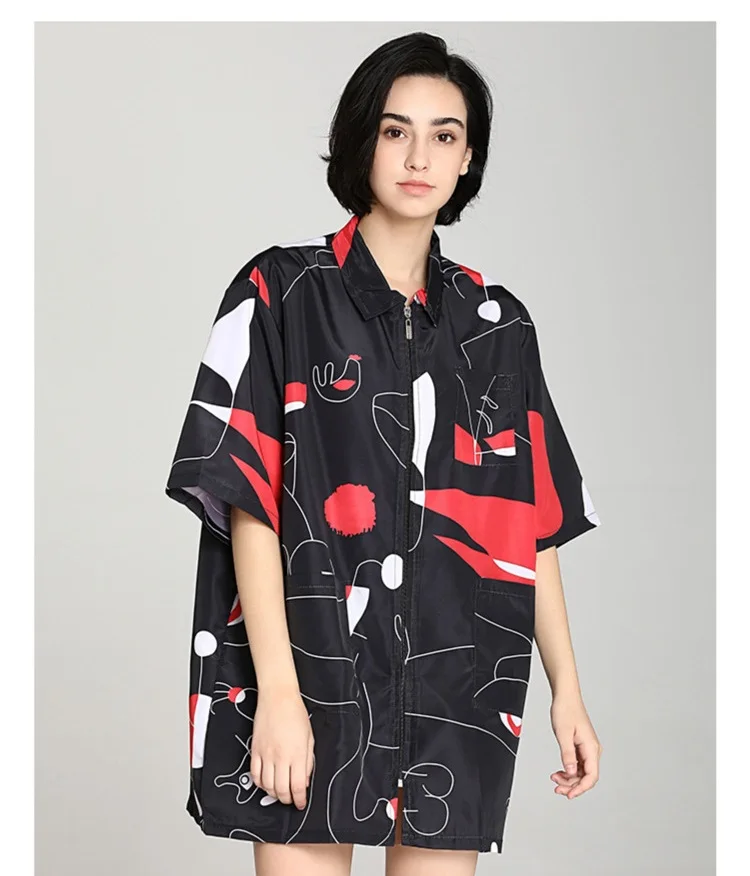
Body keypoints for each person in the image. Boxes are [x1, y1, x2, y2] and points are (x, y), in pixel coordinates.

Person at [165, 30, 603, 876]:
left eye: (445, 134)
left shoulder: (499, 327)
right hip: (312, 680)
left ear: (468, 158)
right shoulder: (279, 293)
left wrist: (569, 697)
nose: (419, 156)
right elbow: (250, 501)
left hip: (458, 694)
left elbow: (530, 524)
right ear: (362, 139)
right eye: (396, 130)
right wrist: (279, 697)